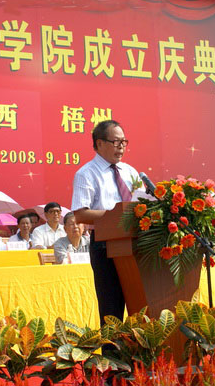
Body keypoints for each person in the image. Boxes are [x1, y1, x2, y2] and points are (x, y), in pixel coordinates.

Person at [72, 119, 140, 324]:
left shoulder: (130, 172)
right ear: (99, 143)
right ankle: (112, 346)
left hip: (135, 243)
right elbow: (81, 214)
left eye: (124, 142)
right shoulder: (86, 173)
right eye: (116, 142)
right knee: (111, 310)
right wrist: (118, 215)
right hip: (105, 246)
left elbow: (140, 204)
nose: (121, 147)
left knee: (140, 305)